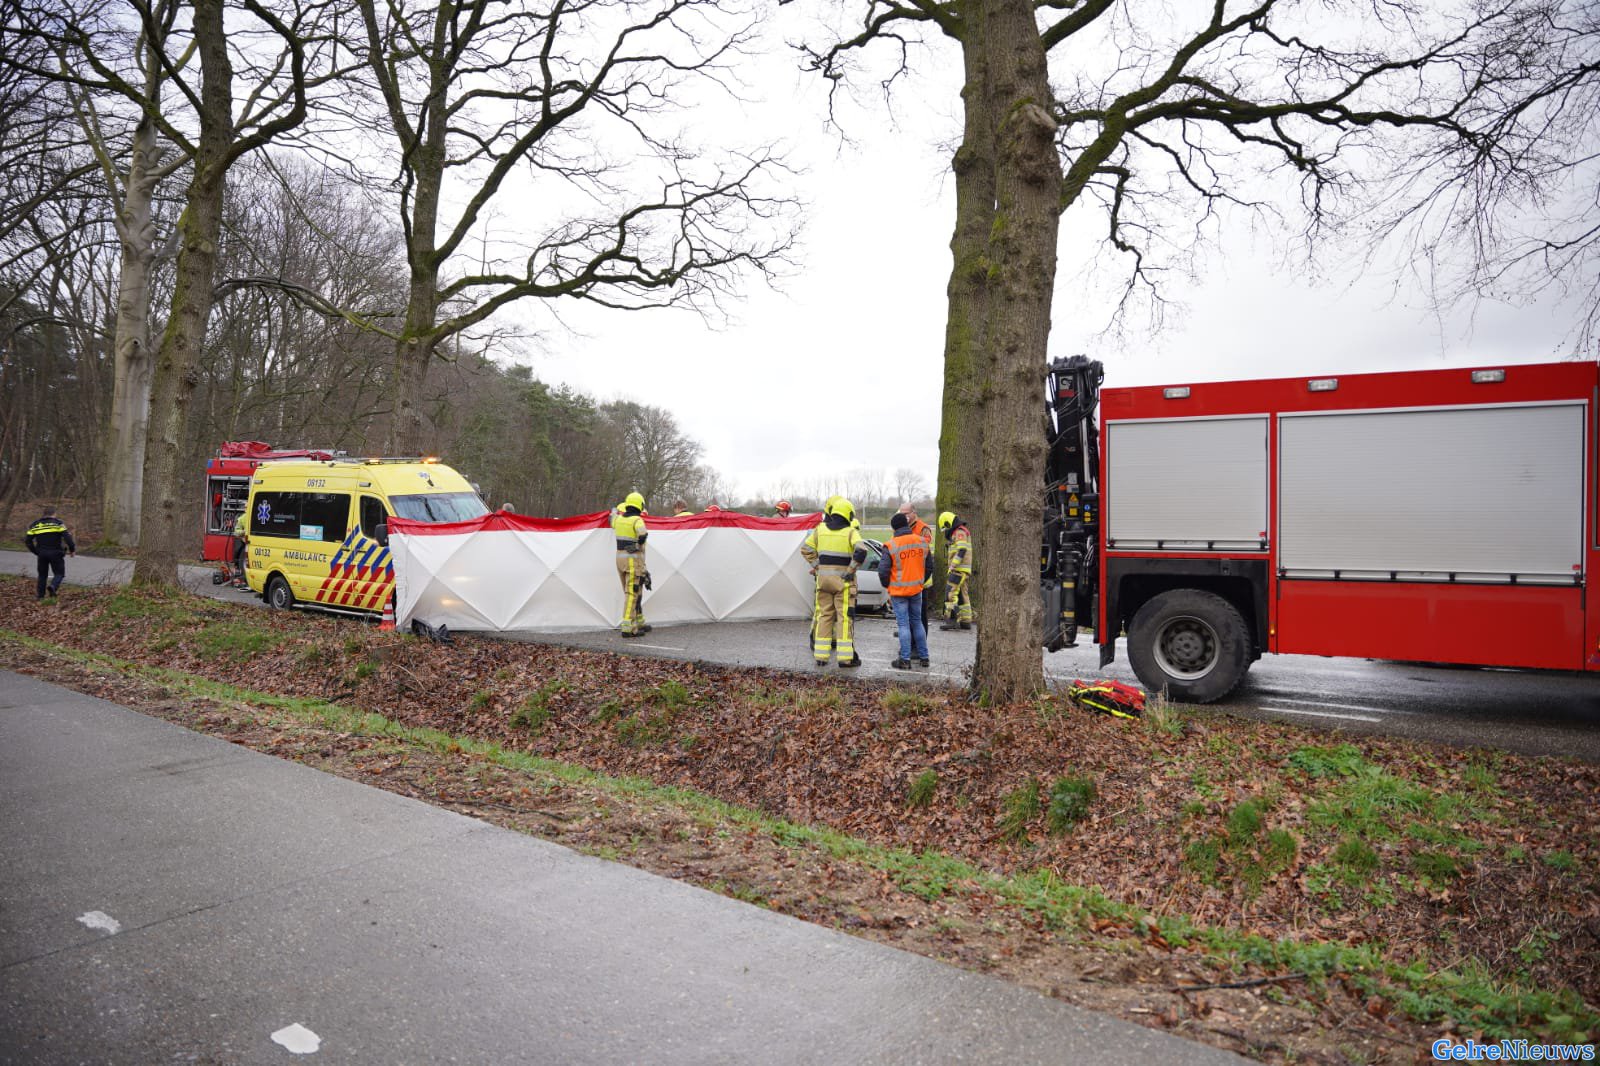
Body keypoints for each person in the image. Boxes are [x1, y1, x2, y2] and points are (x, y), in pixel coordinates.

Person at [800, 496, 867, 668]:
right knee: (844, 619)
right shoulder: (851, 532)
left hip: (823, 582)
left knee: (825, 616)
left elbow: (806, 549)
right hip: (842, 584)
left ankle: (821, 656)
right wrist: (850, 570)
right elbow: (861, 551)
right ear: (848, 515)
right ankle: (845, 659)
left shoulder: (820, 529)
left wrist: (818, 567)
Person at [878, 512, 930, 669]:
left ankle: (905, 660)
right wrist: (921, 581)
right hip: (916, 590)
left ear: (893, 528)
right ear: (907, 525)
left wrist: (888, 585)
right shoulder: (922, 542)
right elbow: (929, 566)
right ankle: (924, 657)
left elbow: (883, 570)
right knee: (917, 622)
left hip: (899, 592)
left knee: (903, 625)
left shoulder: (891, 545)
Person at [612, 491, 651, 637]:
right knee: (632, 594)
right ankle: (628, 627)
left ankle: (636, 622)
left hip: (620, 561)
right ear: (640, 505)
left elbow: (612, 518)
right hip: (633, 561)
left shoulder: (619, 520)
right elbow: (643, 534)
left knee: (631, 593)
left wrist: (613, 510)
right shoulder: (637, 520)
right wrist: (637, 545)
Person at [25, 506, 76, 601]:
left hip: (42, 553)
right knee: (59, 573)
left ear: (44, 514)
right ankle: (53, 586)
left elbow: (28, 541)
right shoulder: (58, 523)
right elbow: (68, 538)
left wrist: (36, 551)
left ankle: (40, 596)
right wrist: (72, 549)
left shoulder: (35, 524)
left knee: (42, 575)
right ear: (54, 514)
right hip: (56, 553)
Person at [898, 501, 935, 629]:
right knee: (905, 614)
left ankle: (920, 644)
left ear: (914, 513)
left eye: (906, 513)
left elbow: (923, 553)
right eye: (901, 513)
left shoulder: (923, 529)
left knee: (919, 615)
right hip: (905, 579)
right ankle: (908, 642)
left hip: (921, 579)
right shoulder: (899, 528)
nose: (903, 516)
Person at [939, 510, 974, 630]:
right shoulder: (961, 531)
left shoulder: (959, 532)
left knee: (950, 593)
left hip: (958, 569)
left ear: (948, 523)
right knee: (962, 594)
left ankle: (951, 620)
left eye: (945, 527)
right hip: (963, 569)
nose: (946, 531)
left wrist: (953, 565)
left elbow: (962, 550)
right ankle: (966, 621)